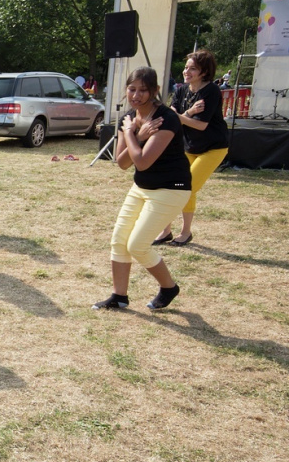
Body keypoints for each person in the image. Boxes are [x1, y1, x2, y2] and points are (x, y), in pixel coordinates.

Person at [94, 67, 191, 311]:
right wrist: (135, 133)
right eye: (132, 89)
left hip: (172, 189)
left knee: (137, 245)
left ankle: (169, 287)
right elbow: (122, 163)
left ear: (155, 91)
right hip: (141, 187)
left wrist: (132, 134)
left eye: (143, 90)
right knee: (119, 241)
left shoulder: (165, 118)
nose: (136, 95)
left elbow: (143, 161)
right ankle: (119, 296)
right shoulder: (129, 118)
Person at [154, 49, 229, 247]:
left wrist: (180, 116)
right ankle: (166, 231)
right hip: (188, 147)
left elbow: (200, 125)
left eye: (192, 69)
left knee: (186, 188)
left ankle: (186, 233)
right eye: (186, 68)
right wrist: (188, 112)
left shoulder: (211, 91)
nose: (186, 72)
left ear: (204, 72)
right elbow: (172, 118)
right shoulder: (180, 89)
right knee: (173, 186)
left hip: (213, 148)